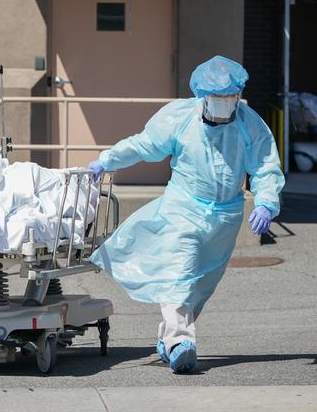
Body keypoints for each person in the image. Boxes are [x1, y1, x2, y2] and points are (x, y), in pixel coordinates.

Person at [86, 55, 284, 373]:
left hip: (225, 217)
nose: (223, 103)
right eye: (217, 97)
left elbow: (264, 166)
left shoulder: (249, 123)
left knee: (202, 285)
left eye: (229, 97)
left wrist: (266, 202)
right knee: (180, 273)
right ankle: (181, 342)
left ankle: (168, 340)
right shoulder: (180, 118)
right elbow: (145, 144)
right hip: (184, 208)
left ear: (237, 96)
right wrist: (107, 159)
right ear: (202, 96)